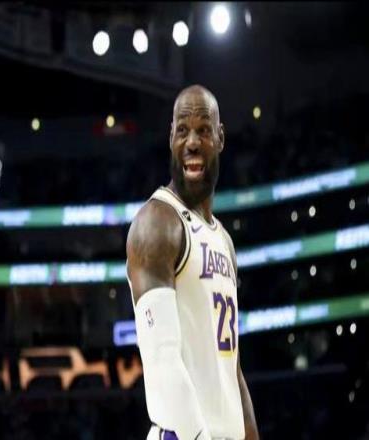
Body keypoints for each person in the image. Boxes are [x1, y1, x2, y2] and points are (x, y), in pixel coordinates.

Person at [126, 85, 259, 440]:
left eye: (203, 130)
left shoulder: (223, 240)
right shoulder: (157, 223)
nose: (192, 142)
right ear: (170, 137)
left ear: (221, 137)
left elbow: (231, 369)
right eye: (183, 130)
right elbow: (162, 360)